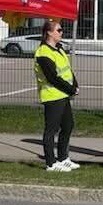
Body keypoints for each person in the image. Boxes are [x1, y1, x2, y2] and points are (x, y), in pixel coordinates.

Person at [34, 19, 80, 172]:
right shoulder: (43, 53)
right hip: (52, 95)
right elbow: (52, 77)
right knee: (51, 129)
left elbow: (67, 70)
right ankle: (51, 163)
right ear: (49, 32)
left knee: (68, 125)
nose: (61, 33)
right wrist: (70, 89)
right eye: (58, 30)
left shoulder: (59, 49)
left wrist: (74, 85)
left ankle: (63, 158)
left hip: (63, 94)